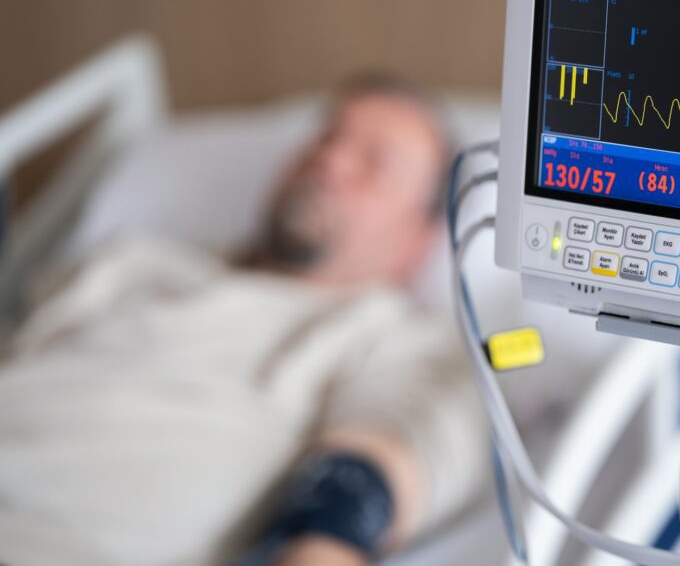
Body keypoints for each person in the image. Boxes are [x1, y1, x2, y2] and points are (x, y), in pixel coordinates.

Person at [0, 76, 488, 566]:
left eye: (374, 164)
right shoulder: (131, 262)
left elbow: (368, 482)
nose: (330, 159)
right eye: (325, 137)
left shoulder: (392, 338)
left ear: (419, 237)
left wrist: (326, 537)